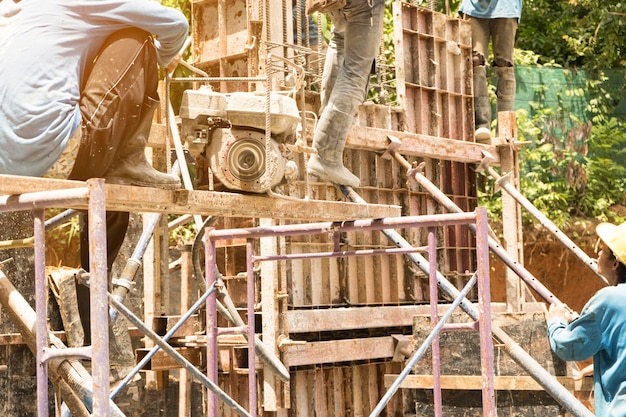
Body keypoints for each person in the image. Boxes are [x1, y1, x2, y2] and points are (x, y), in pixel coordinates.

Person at [0, 0, 188, 342]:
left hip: (6, 170)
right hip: (61, 154)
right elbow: (175, 24)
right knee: (139, 37)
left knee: (109, 195)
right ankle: (127, 162)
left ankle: (92, 325)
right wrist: (162, 58)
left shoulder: (11, 13)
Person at [546, 221, 626, 416]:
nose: (597, 253)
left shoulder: (611, 300)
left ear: (615, 262)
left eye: (603, 250)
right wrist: (597, 367)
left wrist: (556, 321)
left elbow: (569, 346)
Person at [305, 0, 385, 188]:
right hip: (364, 4)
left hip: (337, 5)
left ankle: (324, 136)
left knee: (339, 42)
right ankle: (326, 156)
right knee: (355, 75)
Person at [458, 0, 522, 142]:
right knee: (475, 61)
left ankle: (506, 128)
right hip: (474, 8)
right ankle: (481, 125)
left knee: (504, 64)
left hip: (506, 7)